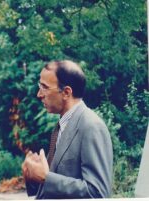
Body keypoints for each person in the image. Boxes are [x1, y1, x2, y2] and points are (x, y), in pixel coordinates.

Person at [22, 60, 113, 199]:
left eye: (45, 87)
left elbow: (98, 192)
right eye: (39, 86)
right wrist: (33, 176)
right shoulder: (60, 127)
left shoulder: (91, 126)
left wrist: (46, 177)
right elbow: (52, 186)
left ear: (66, 92)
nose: (39, 94)